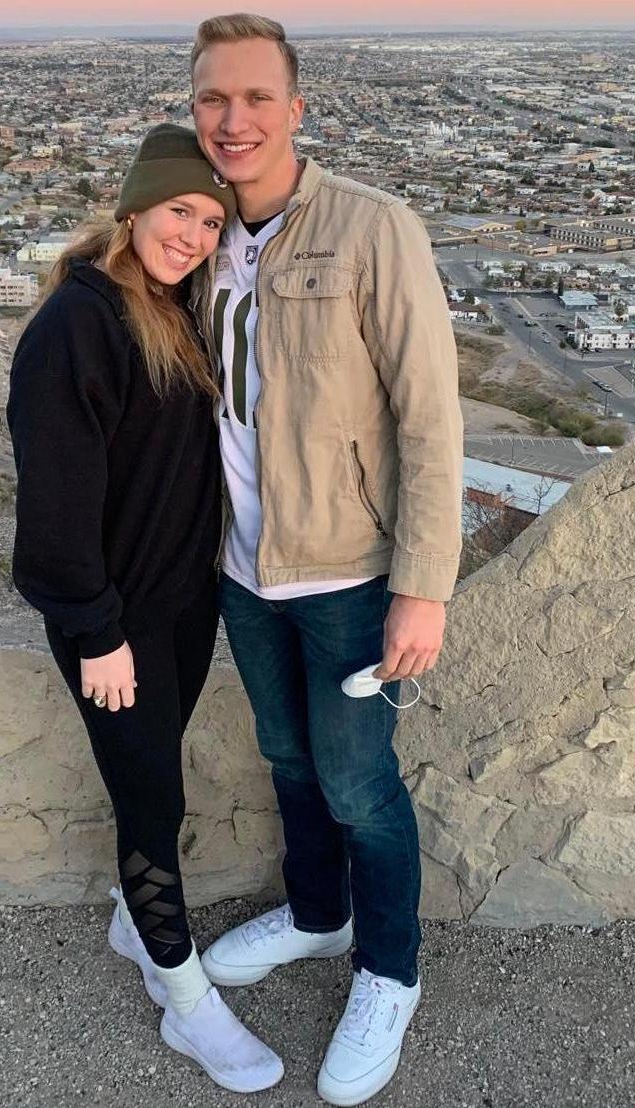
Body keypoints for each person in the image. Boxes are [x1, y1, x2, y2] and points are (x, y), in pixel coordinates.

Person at [186, 15, 464, 1107]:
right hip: (242, 570)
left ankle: (388, 970)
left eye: (257, 97)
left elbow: (430, 417)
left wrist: (422, 587)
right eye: (214, 97)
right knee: (287, 761)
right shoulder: (196, 230)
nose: (234, 118)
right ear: (193, 108)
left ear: (297, 109)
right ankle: (315, 913)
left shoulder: (369, 227)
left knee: (357, 781)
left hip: (348, 570)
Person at [6, 123, 283, 1095]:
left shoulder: (168, 306)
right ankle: (188, 1001)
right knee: (151, 802)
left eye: (211, 220)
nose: (196, 234)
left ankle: (136, 920)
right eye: (181, 212)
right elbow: (52, 509)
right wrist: (95, 631)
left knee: (156, 774)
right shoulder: (75, 328)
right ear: (134, 207)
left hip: (178, 604)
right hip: (114, 621)